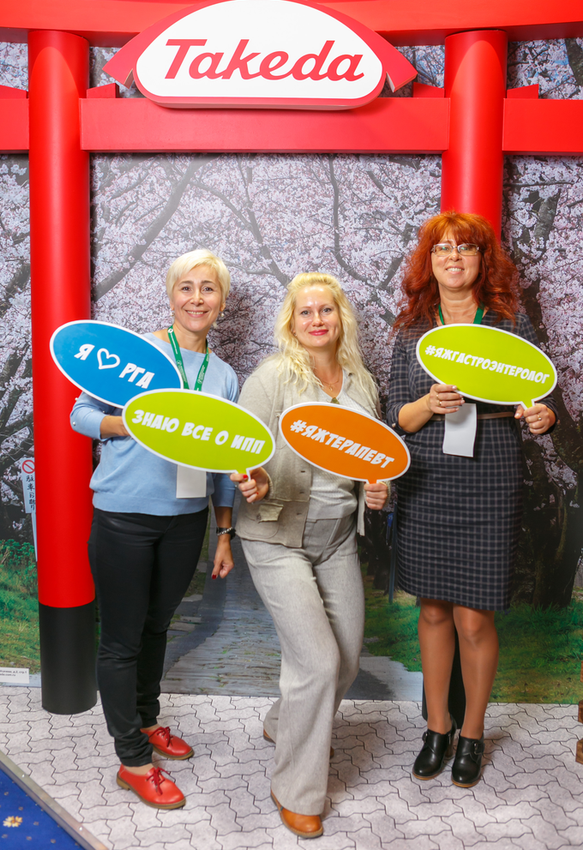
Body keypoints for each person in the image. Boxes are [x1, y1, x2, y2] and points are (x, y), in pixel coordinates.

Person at [387, 211, 557, 788]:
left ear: (484, 260)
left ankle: (473, 734)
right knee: (433, 609)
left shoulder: (508, 325)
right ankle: (437, 728)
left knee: (474, 617)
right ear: (429, 261)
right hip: (427, 479)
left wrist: (545, 416)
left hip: (491, 477)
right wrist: (426, 406)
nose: (453, 257)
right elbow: (397, 415)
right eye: (442, 249)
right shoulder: (412, 328)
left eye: (466, 248)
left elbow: (540, 397)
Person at [71, 249, 238, 809]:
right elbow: (80, 414)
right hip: (123, 516)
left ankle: (146, 721)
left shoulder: (223, 376)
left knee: (156, 626)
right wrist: (129, 424)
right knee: (121, 640)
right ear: (170, 295)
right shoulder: (136, 357)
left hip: (186, 521)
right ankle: (133, 761)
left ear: (221, 301)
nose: (197, 298)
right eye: (186, 287)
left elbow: (224, 463)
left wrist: (224, 532)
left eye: (208, 288)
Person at [231, 272, 388, 839]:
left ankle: (284, 722)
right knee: (318, 662)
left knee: (344, 661)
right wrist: (253, 480)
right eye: (306, 311)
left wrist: (377, 489)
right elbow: (240, 449)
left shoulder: (362, 383)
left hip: (337, 537)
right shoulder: (272, 377)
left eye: (326, 309)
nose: (317, 319)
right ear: (291, 322)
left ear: (341, 317)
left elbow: (370, 458)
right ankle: (296, 790)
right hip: (276, 536)